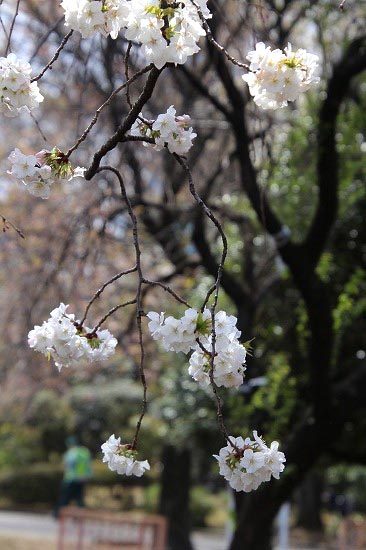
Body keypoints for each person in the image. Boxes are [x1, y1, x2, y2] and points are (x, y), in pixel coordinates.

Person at [55, 435, 92, 517]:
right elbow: (89, 465)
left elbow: (67, 465)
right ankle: (80, 517)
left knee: (65, 498)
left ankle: (58, 515)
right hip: (82, 479)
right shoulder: (84, 451)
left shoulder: (71, 452)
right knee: (79, 499)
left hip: (70, 479)